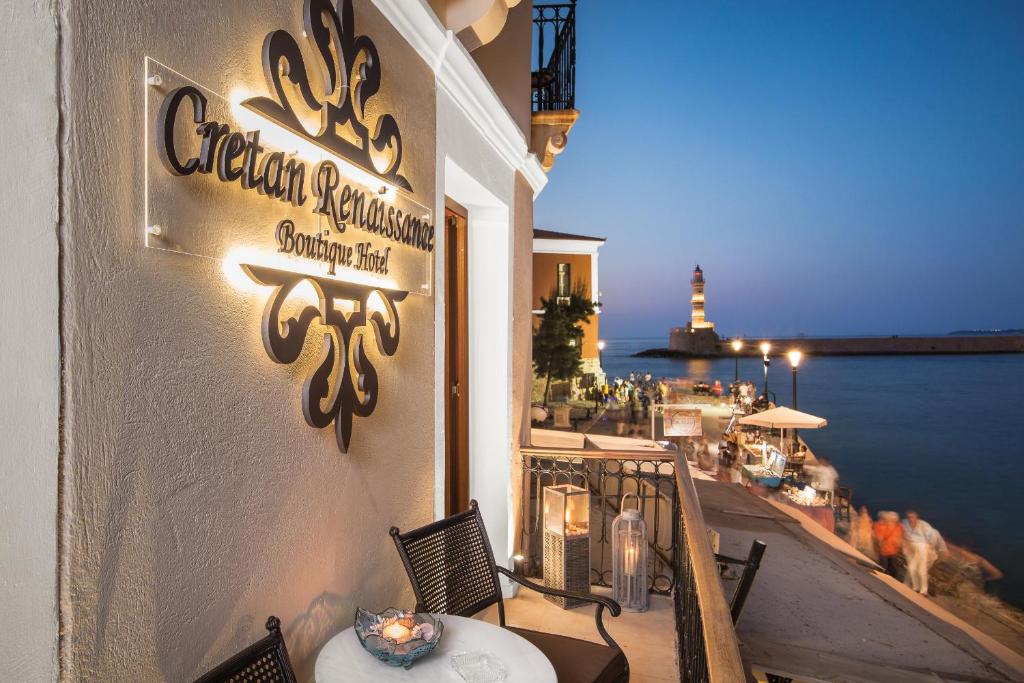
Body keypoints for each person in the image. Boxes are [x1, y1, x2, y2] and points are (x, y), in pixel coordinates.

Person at [901, 510, 947, 595]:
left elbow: (932, 534)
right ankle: (916, 587)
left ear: (916, 517)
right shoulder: (904, 523)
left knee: (922, 570)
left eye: (912, 517)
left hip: (922, 547)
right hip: (913, 547)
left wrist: (930, 544)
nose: (911, 519)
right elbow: (902, 532)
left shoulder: (923, 524)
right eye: (909, 517)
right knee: (911, 568)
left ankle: (924, 591)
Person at [873, 511, 903, 576]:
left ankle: (889, 580)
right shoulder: (880, 526)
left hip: (892, 551)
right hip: (885, 551)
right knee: (884, 568)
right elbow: (878, 538)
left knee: (892, 569)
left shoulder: (898, 527)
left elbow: (899, 537)